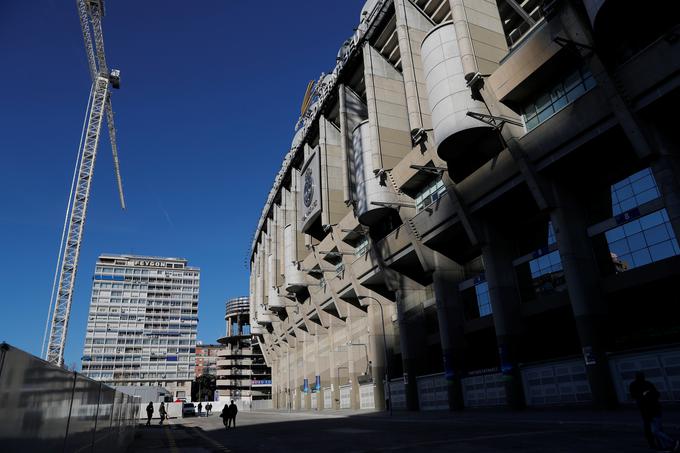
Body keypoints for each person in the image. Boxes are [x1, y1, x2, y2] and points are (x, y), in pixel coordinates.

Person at [630, 371, 679, 451]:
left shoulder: (644, 385)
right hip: (649, 409)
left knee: (654, 429)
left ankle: (665, 444)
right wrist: (644, 395)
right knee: (654, 429)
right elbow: (637, 395)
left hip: (650, 409)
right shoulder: (640, 385)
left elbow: (654, 394)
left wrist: (644, 396)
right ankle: (662, 445)